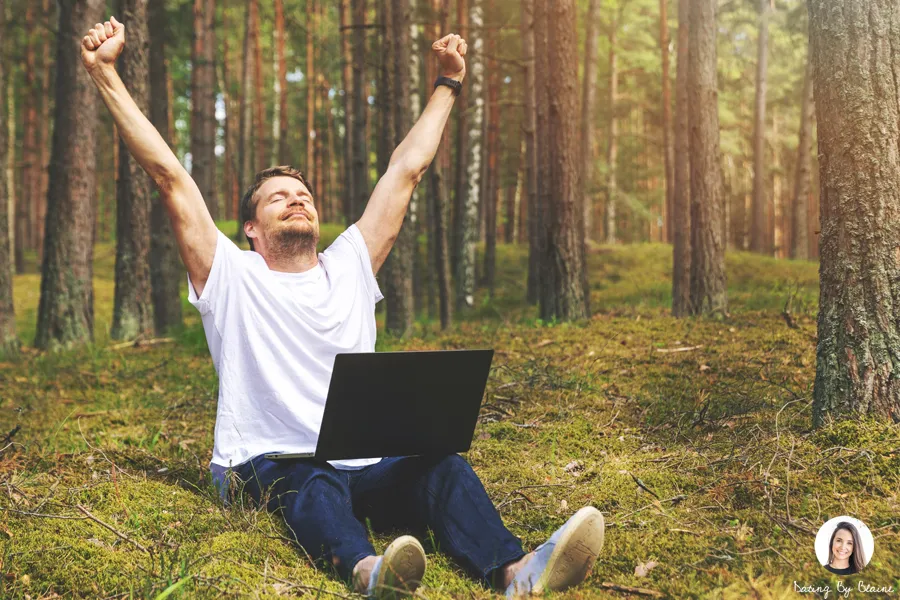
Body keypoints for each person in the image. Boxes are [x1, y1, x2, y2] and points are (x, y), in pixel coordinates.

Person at [80, 15, 606, 599]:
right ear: (251, 228)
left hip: (363, 466)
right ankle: (369, 573)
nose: (296, 200)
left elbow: (407, 170)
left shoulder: (349, 265)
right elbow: (169, 176)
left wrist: (448, 82)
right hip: (265, 465)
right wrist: (105, 73)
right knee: (311, 477)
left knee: (443, 465)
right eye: (278, 198)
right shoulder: (229, 274)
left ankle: (516, 574)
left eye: (303, 194)